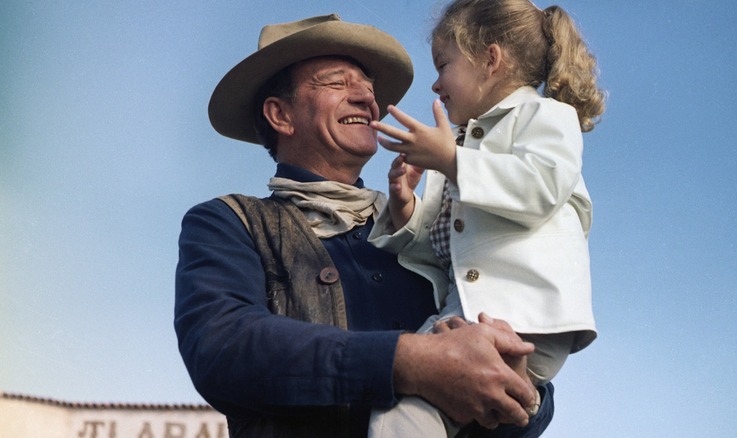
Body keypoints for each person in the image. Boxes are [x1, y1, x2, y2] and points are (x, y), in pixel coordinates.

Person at [174, 14, 555, 438]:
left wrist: (523, 393)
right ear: (280, 114)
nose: (366, 99)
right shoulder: (228, 222)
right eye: (337, 83)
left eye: (369, 89)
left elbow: (513, 384)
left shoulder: (422, 229)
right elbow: (222, 347)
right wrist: (408, 361)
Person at [366, 1, 605, 436]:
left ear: (490, 60)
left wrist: (452, 161)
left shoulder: (545, 116)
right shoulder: (460, 145)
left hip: (524, 317)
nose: (435, 85)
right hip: (478, 312)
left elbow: (541, 188)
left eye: (443, 65)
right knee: (415, 409)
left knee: (400, 408)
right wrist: (406, 211)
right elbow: (449, 254)